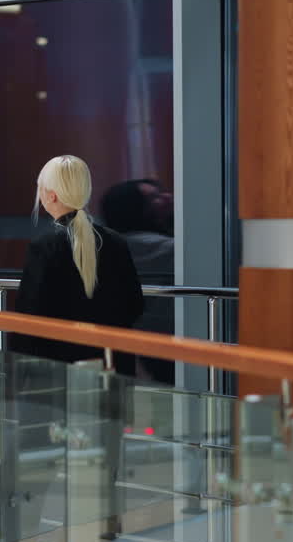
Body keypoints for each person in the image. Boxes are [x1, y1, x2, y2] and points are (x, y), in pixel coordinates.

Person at [9, 155, 145, 367]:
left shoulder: (45, 246)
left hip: (58, 367)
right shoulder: (116, 241)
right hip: (113, 361)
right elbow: (134, 304)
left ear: (52, 196)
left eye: (40, 188)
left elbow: (30, 313)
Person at [102, 179, 176, 384]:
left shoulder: (108, 244)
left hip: (137, 347)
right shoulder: (160, 248)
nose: (168, 197)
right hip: (163, 346)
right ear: (132, 210)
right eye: (154, 198)